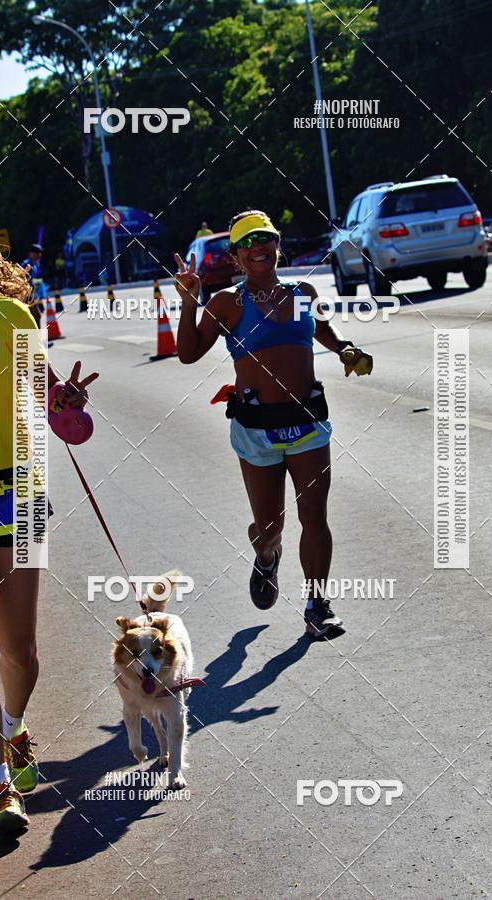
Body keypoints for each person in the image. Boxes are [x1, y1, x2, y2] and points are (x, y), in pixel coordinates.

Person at [0, 195, 98, 835]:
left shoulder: (9, 315)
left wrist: (64, 401)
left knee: (20, 652)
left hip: (18, 497)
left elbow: (46, 397)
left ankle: (13, 727)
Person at [175, 209, 373, 638]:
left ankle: (317, 605)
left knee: (314, 516)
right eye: (247, 243)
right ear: (235, 258)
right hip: (257, 429)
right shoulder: (227, 302)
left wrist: (346, 349)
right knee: (269, 527)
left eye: (265, 239)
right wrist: (189, 301)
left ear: (277, 245)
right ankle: (266, 556)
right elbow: (188, 353)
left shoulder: (302, 291)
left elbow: (323, 331)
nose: (258, 248)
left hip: (306, 422)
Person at [20, 243, 45, 325]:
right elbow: (21, 280)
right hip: (24, 296)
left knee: (36, 316)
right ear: (31, 253)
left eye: (40, 253)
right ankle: (36, 336)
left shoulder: (36, 264)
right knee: (35, 316)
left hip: (31, 295)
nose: (39, 255)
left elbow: (35, 282)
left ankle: (37, 336)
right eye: (37, 253)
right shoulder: (26, 265)